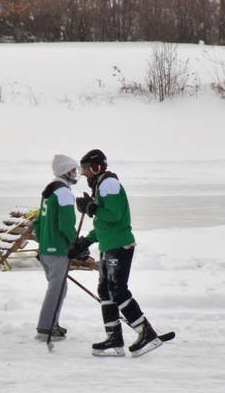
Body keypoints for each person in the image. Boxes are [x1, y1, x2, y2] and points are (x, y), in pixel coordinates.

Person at [67, 149, 169, 357]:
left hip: (119, 247)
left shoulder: (109, 184)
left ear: (96, 167)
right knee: (105, 291)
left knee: (118, 291)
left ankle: (146, 333)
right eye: (82, 169)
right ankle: (114, 338)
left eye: (85, 168)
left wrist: (92, 208)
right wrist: (85, 240)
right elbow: (104, 224)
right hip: (108, 246)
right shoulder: (101, 185)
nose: (84, 173)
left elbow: (113, 216)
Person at [31, 154, 80, 342]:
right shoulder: (64, 193)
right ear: (65, 172)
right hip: (58, 249)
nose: (76, 173)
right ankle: (45, 328)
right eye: (73, 170)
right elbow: (66, 225)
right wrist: (77, 244)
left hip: (46, 250)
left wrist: (43, 245)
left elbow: (38, 222)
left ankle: (52, 323)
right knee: (56, 289)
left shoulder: (50, 191)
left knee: (59, 288)